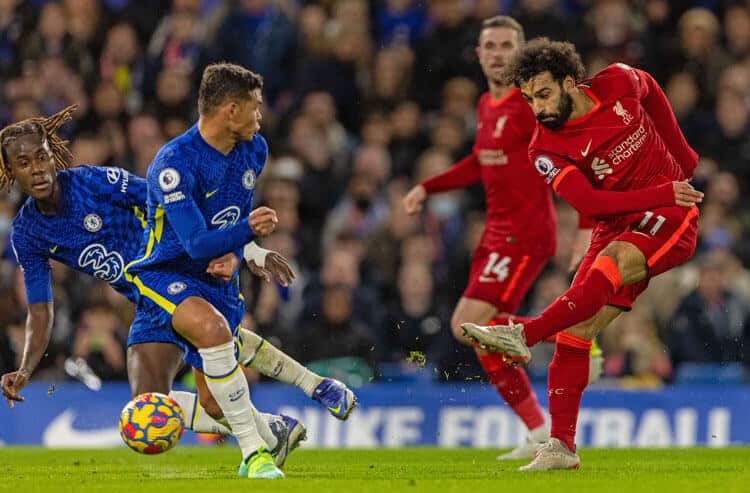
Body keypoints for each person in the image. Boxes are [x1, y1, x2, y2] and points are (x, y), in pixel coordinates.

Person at [0, 106, 305, 468]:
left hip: (183, 275)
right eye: (23, 162)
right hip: (148, 303)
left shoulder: (94, 183)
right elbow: (40, 309)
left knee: (211, 392)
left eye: (42, 157)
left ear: (53, 155)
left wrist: (242, 248)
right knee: (145, 408)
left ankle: (259, 451)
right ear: (10, 172)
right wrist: (25, 368)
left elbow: (169, 202)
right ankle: (271, 430)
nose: (36, 169)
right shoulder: (28, 233)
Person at [462, 39, 704, 470]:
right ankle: (561, 447)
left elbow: (648, 85)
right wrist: (664, 186)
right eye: (528, 98)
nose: (536, 108)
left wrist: (681, 153)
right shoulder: (545, 149)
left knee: (604, 273)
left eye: (543, 94)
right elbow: (590, 205)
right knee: (574, 334)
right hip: (617, 221)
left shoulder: (616, 82)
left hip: (669, 213)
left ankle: (526, 333)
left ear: (569, 82)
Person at [124, 63, 356, 478]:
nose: (260, 117)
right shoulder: (175, 163)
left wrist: (241, 252)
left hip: (216, 277)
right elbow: (195, 242)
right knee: (211, 334)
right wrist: (247, 232)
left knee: (215, 402)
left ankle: (276, 427)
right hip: (165, 272)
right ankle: (254, 454)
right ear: (230, 110)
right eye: (255, 107)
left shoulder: (254, 149)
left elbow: (224, 220)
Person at [404, 16, 558, 460]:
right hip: (496, 235)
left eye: (506, 45)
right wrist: (427, 187)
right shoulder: (487, 105)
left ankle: (558, 344)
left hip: (525, 236)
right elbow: (479, 162)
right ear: (478, 54)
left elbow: (566, 148)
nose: (497, 53)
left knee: (466, 325)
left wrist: (587, 223)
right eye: (489, 45)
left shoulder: (532, 105)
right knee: (483, 331)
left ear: (521, 51)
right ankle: (538, 426)